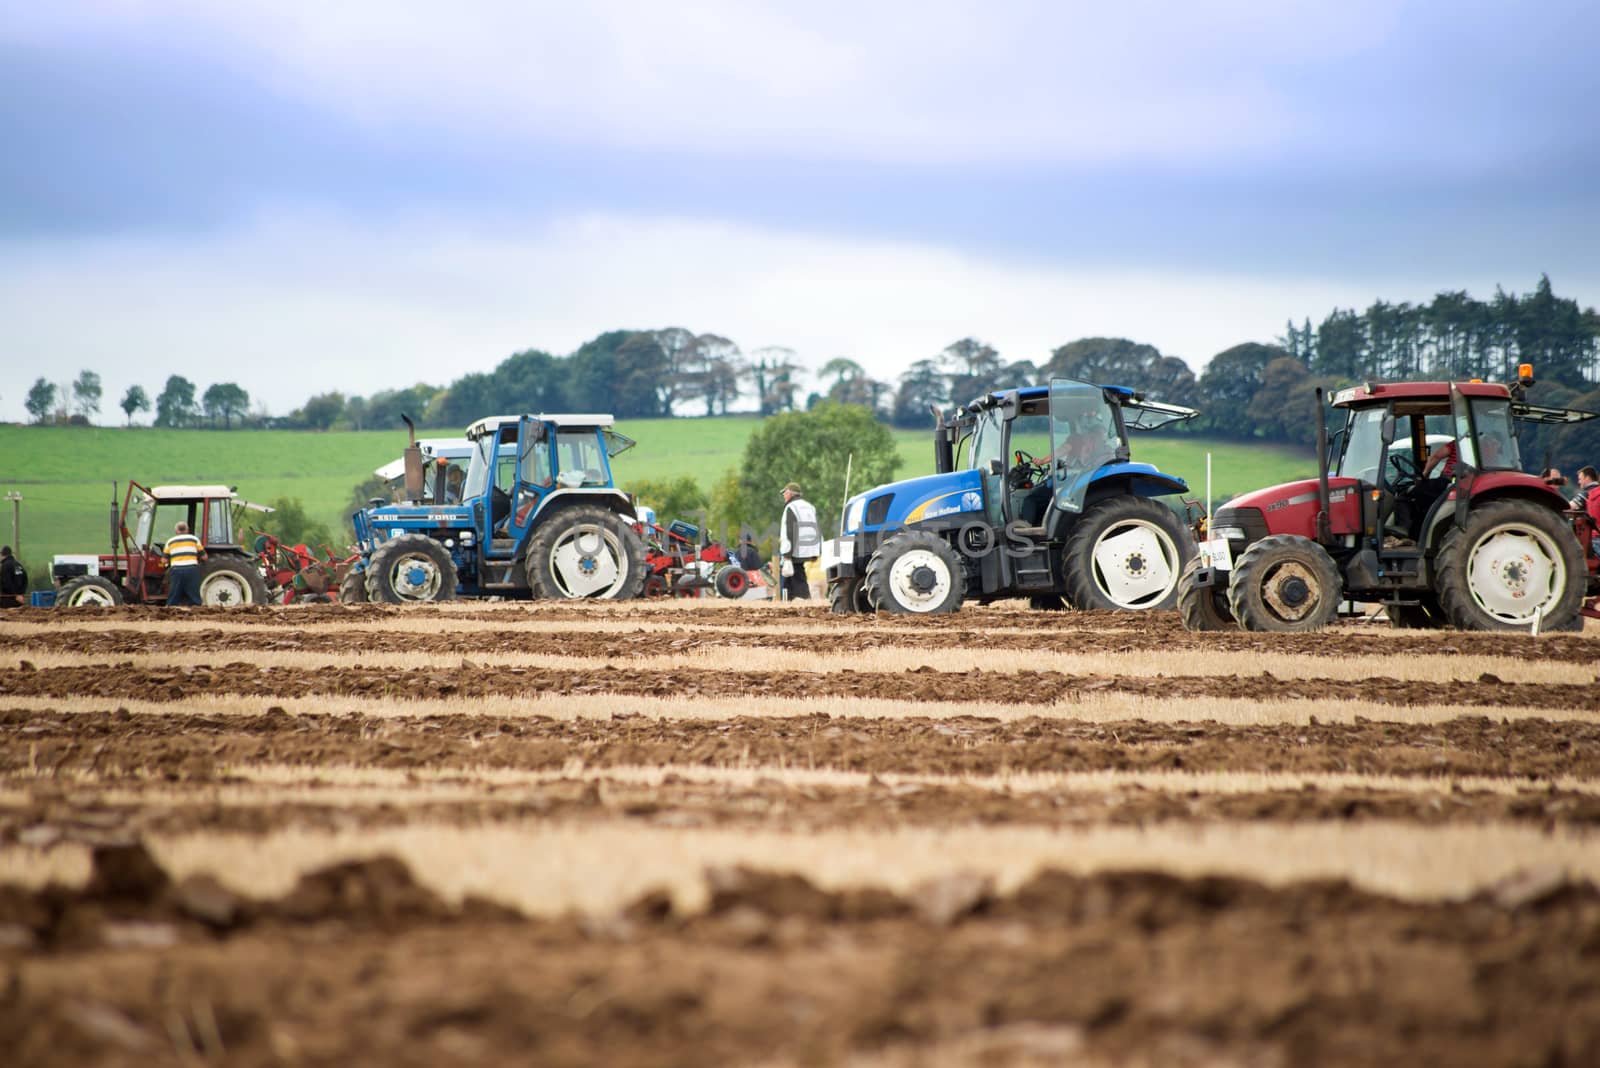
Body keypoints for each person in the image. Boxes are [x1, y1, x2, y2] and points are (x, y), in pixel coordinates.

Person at [778, 483, 819, 600]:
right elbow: (817, 528)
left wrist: (787, 554)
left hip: (794, 549)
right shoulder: (810, 507)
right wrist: (817, 550)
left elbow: (790, 531)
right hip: (809, 547)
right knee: (789, 576)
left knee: (797, 576)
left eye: (784, 493)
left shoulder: (791, 508)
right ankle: (787, 601)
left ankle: (804, 600)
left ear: (790, 493)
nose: (784, 496)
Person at [163, 521, 207, 606]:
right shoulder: (194, 539)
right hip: (192, 570)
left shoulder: (170, 541)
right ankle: (196, 614)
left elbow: (164, 560)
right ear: (187, 530)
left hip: (176, 570)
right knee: (194, 595)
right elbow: (204, 557)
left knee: (174, 594)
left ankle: (170, 612)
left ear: (176, 531)